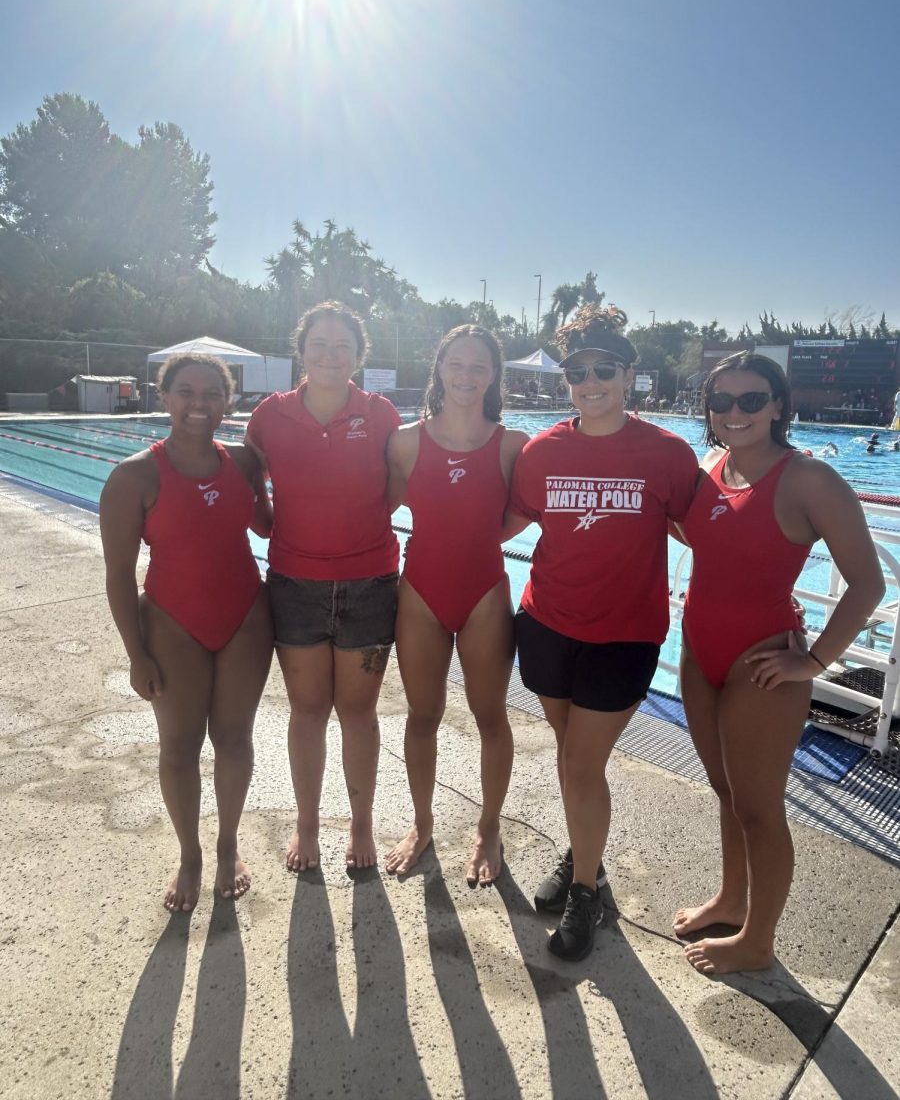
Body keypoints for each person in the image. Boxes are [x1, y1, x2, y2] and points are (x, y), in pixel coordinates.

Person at [674, 351, 884, 974]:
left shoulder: (809, 480)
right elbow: (710, 537)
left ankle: (757, 942)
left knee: (760, 808)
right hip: (696, 649)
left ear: (777, 407)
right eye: (722, 401)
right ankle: (731, 897)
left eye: (750, 400)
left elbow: (867, 584)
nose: (734, 413)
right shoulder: (713, 466)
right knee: (725, 791)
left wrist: (814, 661)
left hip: (761, 662)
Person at [504, 306, 698, 960]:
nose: (591, 382)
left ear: (629, 375)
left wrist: (764, 588)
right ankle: (585, 857)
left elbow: (710, 531)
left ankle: (587, 893)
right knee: (572, 760)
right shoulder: (542, 452)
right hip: (547, 624)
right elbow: (505, 521)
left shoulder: (667, 454)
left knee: (581, 763)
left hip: (624, 635)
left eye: (604, 371)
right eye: (578, 372)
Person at [100, 354, 273, 912]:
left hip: (247, 616)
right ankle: (189, 856)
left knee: (235, 738)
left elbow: (268, 525)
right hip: (172, 624)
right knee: (178, 745)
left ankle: (227, 847)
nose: (199, 405)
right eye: (185, 392)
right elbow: (119, 576)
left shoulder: (245, 462)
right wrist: (135, 654)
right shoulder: (134, 476)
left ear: (229, 401)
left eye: (211, 394)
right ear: (164, 396)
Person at [245, 302, 400, 872]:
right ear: (301, 350)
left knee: (358, 714)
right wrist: (274, 526)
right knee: (307, 712)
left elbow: (400, 486)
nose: (330, 355)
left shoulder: (381, 414)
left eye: (342, 347)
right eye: (319, 344)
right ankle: (307, 826)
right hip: (296, 584)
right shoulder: (271, 415)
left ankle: (361, 826)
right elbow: (247, 482)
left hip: (370, 584)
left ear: (359, 356)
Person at [384, 326, 528, 885]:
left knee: (491, 716)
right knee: (423, 716)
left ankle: (489, 827)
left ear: (494, 376)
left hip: (484, 593)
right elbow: (372, 508)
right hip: (420, 591)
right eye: (456, 365)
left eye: (479, 367)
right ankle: (421, 824)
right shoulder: (405, 441)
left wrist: (481, 537)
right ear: (439, 368)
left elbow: (524, 513)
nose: (466, 376)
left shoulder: (513, 446)